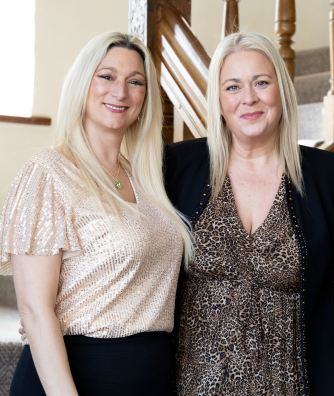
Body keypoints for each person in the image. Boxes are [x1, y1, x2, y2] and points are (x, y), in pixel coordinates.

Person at [164, 32, 334, 396]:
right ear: (219, 101)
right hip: (189, 384)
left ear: (281, 91)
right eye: (233, 87)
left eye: (261, 83)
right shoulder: (179, 166)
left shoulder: (326, 175)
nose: (249, 99)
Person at [0, 32, 192, 396]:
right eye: (106, 76)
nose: (120, 92)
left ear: (145, 98)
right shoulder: (48, 173)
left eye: (135, 82)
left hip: (149, 375)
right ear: (82, 83)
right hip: (74, 377)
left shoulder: (146, 177)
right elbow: (35, 309)